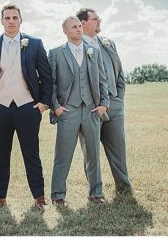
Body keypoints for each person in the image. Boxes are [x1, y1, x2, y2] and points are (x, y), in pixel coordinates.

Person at [0, 3, 53, 209]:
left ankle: (39, 197)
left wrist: (43, 103)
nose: (11, 21)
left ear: (21, 20)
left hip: (28, 106)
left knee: (31, 154)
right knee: (1, 154)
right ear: (1, 21)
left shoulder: (34, 43)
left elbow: (46, 76)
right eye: (7, 18)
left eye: (14, 17)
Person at [48, 16, 110, 205]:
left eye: (80, 26)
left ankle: (96, 193)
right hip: (68, 111)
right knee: (63, 155)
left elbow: (102, 79)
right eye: (74, 27)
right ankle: (58, 195)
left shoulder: (94, 51)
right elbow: (50, 84)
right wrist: (56, 107)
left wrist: (104, 104)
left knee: (93, 154)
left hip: (91, 110)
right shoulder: (56, 53)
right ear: (65, 30)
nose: (79, 29)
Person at [78, 8, 132, 193]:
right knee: (91, 152)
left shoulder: (108, 43)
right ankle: (95, 192)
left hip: (114, 104)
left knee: (119, 149)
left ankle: (124, 187)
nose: (99, 21)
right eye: (96, 19)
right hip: (90, 108)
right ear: (83, 22)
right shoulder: (75, 46)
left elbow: (119, 72)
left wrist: (119, 98)